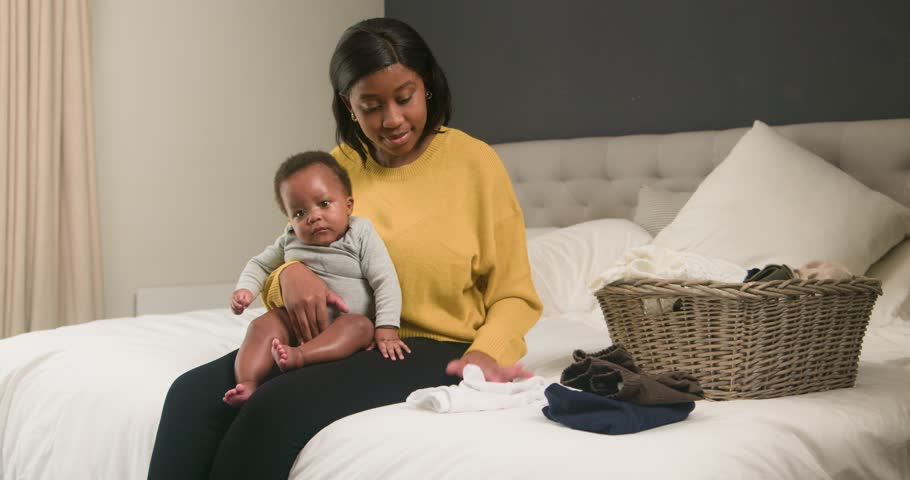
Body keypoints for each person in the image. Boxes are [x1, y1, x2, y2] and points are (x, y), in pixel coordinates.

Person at [148, 17, 542, 480]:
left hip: (427, 345)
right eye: (371, 106)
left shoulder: (475, 164)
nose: (392, 120)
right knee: (190, 395)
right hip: (334, 335)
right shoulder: (337, 168)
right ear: (348, 106)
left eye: (404, 97)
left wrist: (485, 353)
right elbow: (293, 253)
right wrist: (286, 278)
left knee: (275, 408)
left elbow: (515, 294)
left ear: (428, 86)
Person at [222, 151, 408, 407]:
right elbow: (260, 264)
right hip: (297, 323)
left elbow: (384, 280)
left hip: (344, 324)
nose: (313, 216)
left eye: (323, 204)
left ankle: (300, 356)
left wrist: (387, 328)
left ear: (348, 205)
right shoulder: (290, 239)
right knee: (262, 325)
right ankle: (248, 384)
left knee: (361, 326)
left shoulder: (360, 234)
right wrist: (245, 290)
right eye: (299, 213)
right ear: (290, 220)